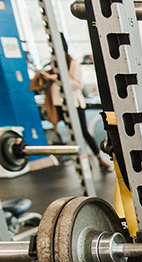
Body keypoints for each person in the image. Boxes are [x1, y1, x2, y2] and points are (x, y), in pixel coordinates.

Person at [45, 34, 112, 170]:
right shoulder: (55, 63)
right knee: (71, 133)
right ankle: (81, 162)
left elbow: (78, 84)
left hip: (74, 104)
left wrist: (55, 78)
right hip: (59, 103)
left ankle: (100, 159)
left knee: (83, 132)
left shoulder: (72, 63)